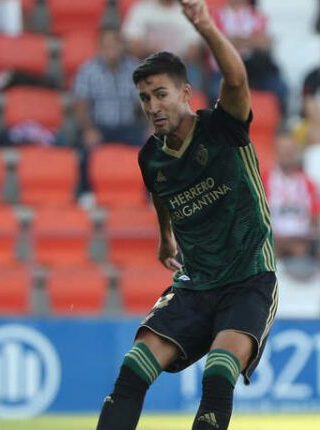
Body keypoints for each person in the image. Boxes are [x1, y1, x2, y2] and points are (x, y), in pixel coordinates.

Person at [95, 1, 277, 429]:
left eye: (160, 94)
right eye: (144, 98)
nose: (152, 106)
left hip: (248, 277)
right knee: (133, 369)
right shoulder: (150, 158)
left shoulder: (222, 128)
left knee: (218, 373)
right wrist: (164, 238)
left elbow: (236, 78)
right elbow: (162, 194)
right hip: (195, 283)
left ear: (184, 93)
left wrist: (206, 27)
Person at [262, 134, 320, 314]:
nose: (287, 156)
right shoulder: (264, 179)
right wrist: (285, 242)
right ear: (276, 153)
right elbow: (258, 217)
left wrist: (306, 240)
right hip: (274, 241)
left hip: (304, 240)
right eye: (283, 152)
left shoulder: (308, 182)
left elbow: (316, 216)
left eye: (290, 152)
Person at [73, 27, 145, 196]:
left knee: (154, 147)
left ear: (121, 45)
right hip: (99, 127)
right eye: (107, 45)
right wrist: (89, 129)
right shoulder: (88, 70)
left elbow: (147, 102)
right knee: (85, 151)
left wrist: (151, 126)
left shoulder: (135, 69)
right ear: (99, 46)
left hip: (127, 126)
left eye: (115, 44)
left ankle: (149, 195)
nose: (111, 49)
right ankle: (86, 193)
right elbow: (80, 104)